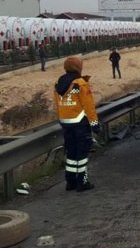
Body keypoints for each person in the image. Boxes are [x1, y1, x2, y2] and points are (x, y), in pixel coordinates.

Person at [53, 57, 100, 192]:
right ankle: (82, 182)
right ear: (78, 67)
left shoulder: (58, 84)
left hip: (66, 124)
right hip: (80, 123)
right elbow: (88, 106)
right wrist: (95, 124)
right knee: (82, 154)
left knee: (71, 154)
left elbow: (60, 102)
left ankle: (70, 182)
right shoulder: (79, 84)